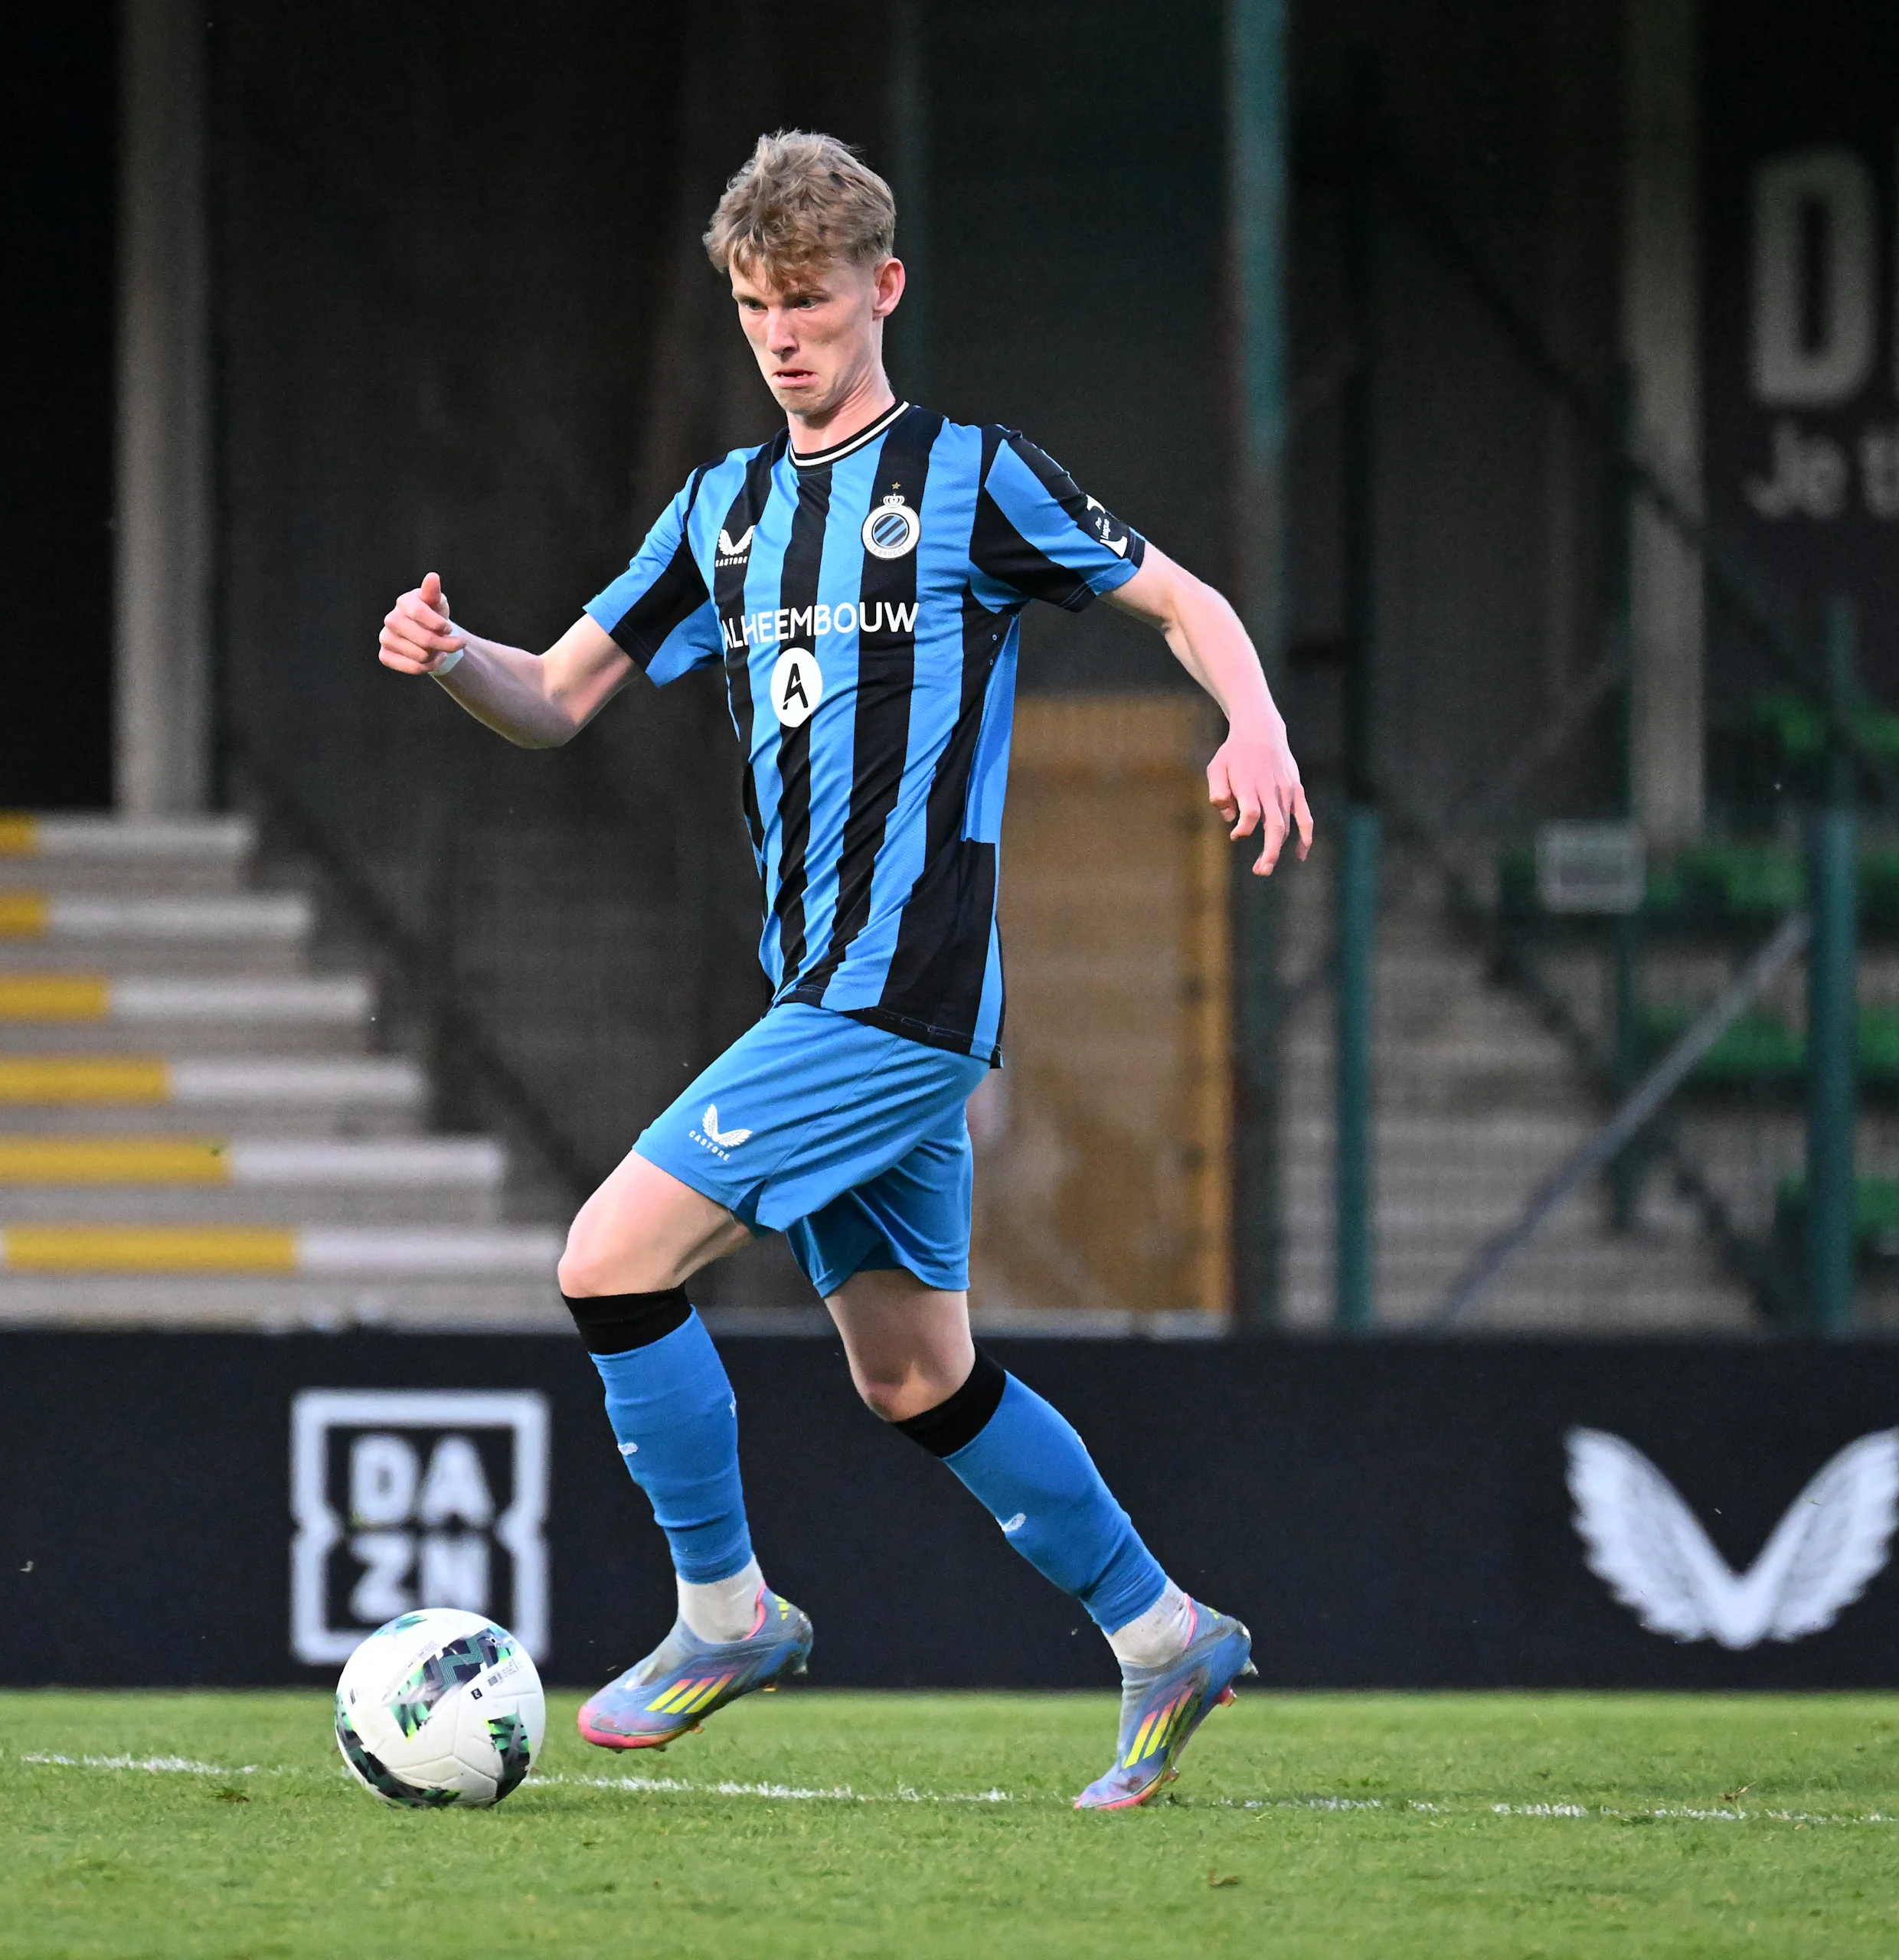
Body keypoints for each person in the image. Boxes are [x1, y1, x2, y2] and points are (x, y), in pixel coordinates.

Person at [375, 131, 1310, 1808]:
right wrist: (455, 660)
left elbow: (1184, 597)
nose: (781, 335)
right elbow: (558, 694)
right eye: (752, 306)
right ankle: (1167, 1634)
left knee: (608, 1258)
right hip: (822, 988)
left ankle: (724, 1612)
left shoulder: (972, 474)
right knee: (913, 1372)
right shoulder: (720, 512)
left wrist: (1254, 720)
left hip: (902, 995)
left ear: (881, 289)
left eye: (807, 301)